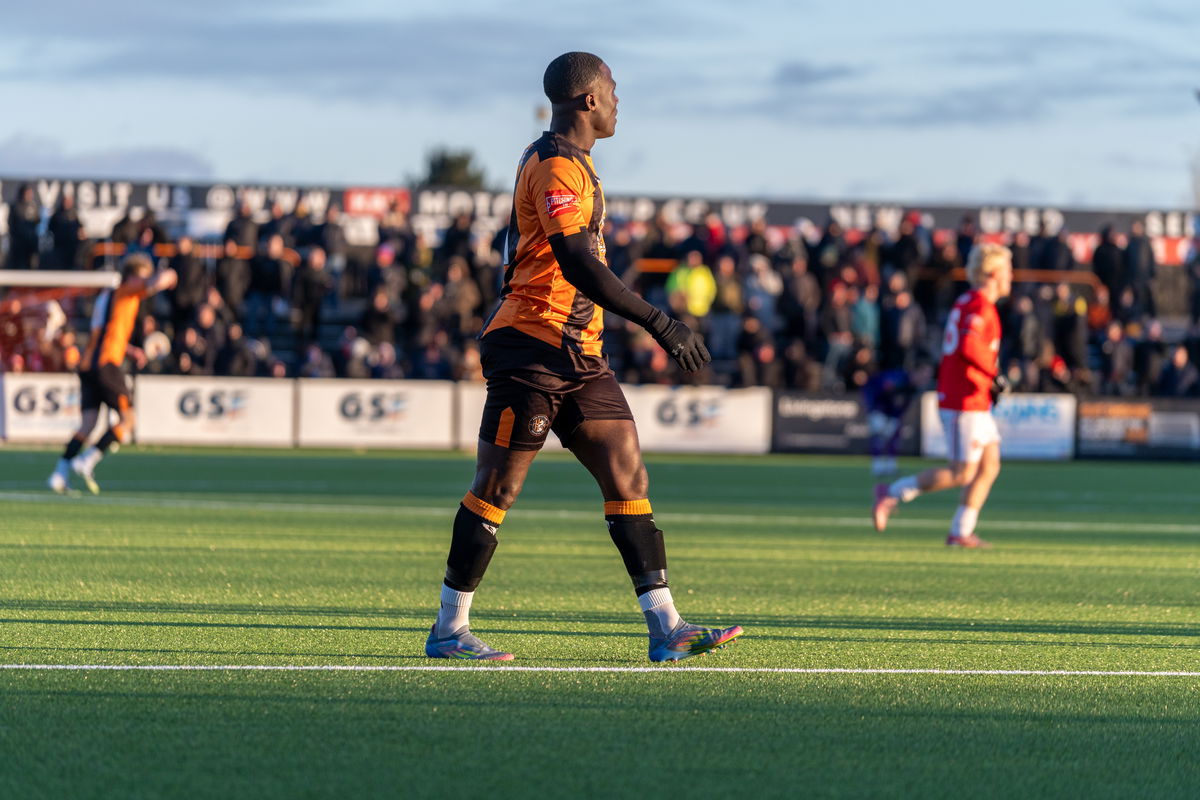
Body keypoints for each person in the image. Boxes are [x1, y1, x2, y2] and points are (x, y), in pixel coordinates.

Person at [425, 51, 743, 663]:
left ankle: (666, 627)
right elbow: (575, 262)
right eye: (614, 90)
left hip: (580, 351)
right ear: (589, 99)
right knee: (497, 485)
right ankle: (448, 627)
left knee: (628, 473)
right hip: (531, 342)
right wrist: (659, 322)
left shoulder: (578, 164)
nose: (620, 102)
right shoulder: (553, 165)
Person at [871, 242, 1013, 548]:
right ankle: (891, 492)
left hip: (974, 397)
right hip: (964, 400)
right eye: (1007, 270)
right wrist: (994, 374)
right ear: (993, 273)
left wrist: (989, 380)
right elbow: (969, 346)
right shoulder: (979, 305)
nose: (1010, 277)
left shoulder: (968, 301)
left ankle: (961, 531)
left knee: (989, 465)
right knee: (961, 473)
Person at [48, 254, 177, 494]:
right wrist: (168, 275)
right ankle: (87, 460)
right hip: (106, 364)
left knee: (87, 424)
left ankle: (59, 473)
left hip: (89, 365)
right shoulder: (126, 291)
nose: (145, 280)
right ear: (132, 277)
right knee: (129, 420)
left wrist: (129, 350)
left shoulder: (106, 297)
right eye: (143, 275)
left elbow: (106, 333)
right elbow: (154, 283)